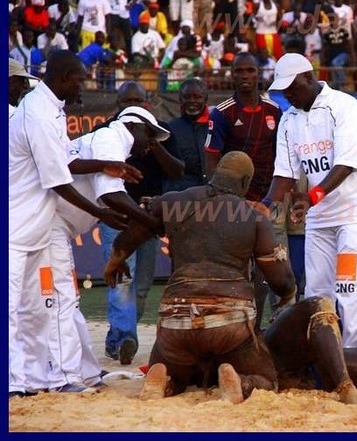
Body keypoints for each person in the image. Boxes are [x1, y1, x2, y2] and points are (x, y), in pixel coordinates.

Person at [104, 152, 298, 403]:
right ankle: (242, 381)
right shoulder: (253, 216)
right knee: (267, 380)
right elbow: (281, 281)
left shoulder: (173, 202)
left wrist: (114, 262)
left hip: (177, 318)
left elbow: (134, 232)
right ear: (244, 183)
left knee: (173, 361)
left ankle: (165, 378)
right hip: (228, 321)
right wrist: (289, 294)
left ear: (215, 175)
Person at [9, 50, 128, 398]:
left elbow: (66, 162)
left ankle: (29, 380)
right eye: (79, 79)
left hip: (37, 230)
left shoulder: (49, 110)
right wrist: (101, 212)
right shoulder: (37, 115)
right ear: (61, 77)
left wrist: (105, 165)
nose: (83, 85)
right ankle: (19, 381)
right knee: (13, 310)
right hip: (16, 229)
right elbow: (57, 181)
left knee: (34, 310)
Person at [263, 53, 357, 348]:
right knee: (317, 294)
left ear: (309, 77)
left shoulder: (344, 107)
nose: (288, 96)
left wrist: (313, 196)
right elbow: (285, 174)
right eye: (283, 91)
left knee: (349, 289)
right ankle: (322, 357)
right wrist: (264, 206)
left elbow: (346, 163)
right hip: (320, 216)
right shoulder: (289, 119)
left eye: (292, 88)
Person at [51, 105, 170, 391]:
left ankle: (86, 371)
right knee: (59, 301)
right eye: (150, 135)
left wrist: (121, 252)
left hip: (58, 229)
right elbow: (112, 196)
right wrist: (154, 225)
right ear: (134, 125)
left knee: (67, 301)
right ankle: (64, 377)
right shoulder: (111, 138)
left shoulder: (113, 144)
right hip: (49, 227)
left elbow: (115, 204)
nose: (151, 144)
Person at [95, 82, 185, 365]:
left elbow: (177, 170)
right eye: (127, 100)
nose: (132, 104)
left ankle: (116, 340)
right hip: (118, 214)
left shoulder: (158, 129)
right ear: (117, 103)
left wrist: (152, 140)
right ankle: (125, 338)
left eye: (138, 100)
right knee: (124, 281)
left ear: (148, 103)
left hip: (149, 215)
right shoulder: (107, 131)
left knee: (143, 288)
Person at [206, 52, 286, 328]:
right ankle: (241, 326)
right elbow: (212, 157)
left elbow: (283, 156)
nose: (244, 76)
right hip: (235, 204)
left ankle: (280, 328)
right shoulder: (222, 112)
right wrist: (220, 196)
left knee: (276, 267)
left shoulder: (275, 111)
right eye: (238, 71)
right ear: (231, 74)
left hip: (269, 201)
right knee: (239, 270)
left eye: (250, 70)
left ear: (258, 74)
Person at [163, 78, 211, 192]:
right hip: (179, 195)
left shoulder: (215, 126)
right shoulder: (170, 128)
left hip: (209, 194)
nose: (192, 101)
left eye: (197, 97)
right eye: (187, 97)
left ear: (205, 99)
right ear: (180, 99)